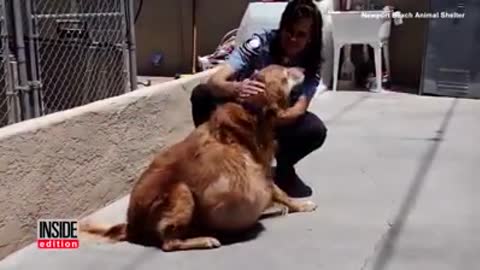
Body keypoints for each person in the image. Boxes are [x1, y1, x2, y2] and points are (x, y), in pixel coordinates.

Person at [189, 0, 327, 197]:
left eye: (301, 34)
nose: (292, 39)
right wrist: (237, 88)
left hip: (272, 121)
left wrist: (265, 111)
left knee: (314, 129)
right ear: (282, 26)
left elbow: (298, 110)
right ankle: (211, 160)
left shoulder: (311, 66)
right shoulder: (259, 43)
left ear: (310, 39)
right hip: (239, 117)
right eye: (289, 30)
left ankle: (284, 170)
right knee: (202, 94)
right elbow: (215, 81)